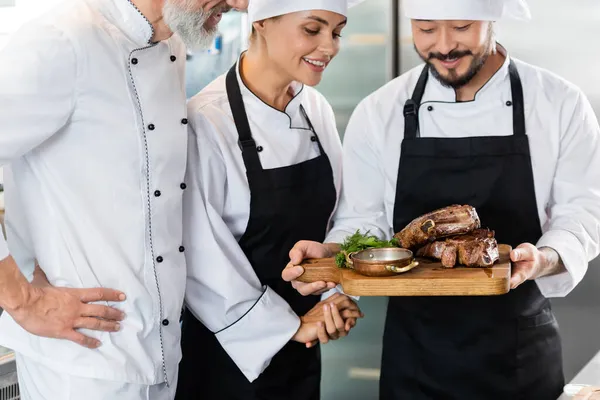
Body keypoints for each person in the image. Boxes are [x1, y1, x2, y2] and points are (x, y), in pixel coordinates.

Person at [0, 0, 322, 398]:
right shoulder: (63, 41)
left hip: (161, 356)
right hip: (82, 365)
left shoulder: (172, 45)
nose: (241, 4)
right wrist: (22, 299)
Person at [282, 0, 600, 399]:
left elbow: (582, 214)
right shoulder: (380, 111)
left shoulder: (559, 103)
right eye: (427, 30)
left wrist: (543, 258)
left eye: (462, 27)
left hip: (518, 354)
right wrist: (333, 253)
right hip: (415, 356)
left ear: (493, 18)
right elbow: (364, 221)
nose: (444, 46)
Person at [176, 1, 365, 399]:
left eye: (337, 32)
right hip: (228, 355)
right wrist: (287, 327)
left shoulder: (315, 108)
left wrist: (335, 295)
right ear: (260, 22)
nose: (329, 47)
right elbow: (200, 255)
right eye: (313, 30)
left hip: (304, 343)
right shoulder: (206, 121)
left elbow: (343, 215)